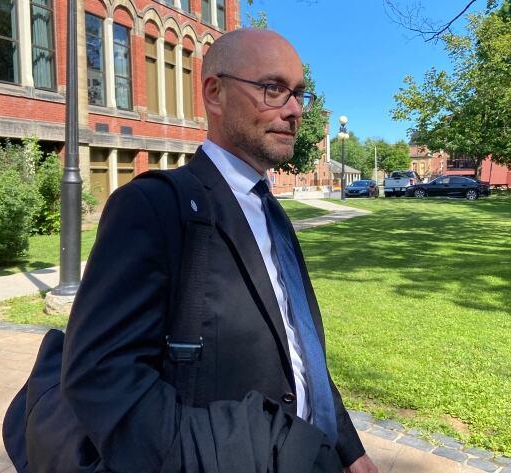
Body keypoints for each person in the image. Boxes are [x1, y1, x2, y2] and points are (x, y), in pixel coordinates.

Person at [60, 29, 377, 473]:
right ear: (215, 93)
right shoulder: (154, 206)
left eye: (298, 94)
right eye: (273, 89)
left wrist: (346, 444)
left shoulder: (274, 214)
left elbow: (298, 342)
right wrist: (249, 454)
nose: (293, 110)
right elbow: (103, 378)